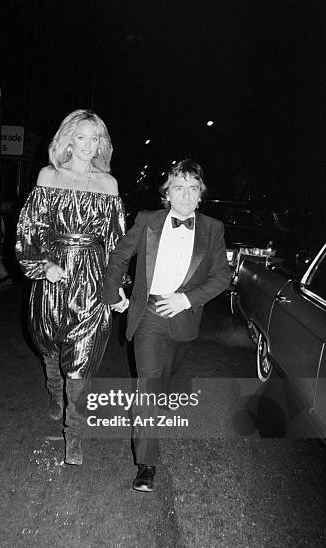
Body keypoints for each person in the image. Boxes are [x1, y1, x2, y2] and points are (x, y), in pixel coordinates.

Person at [103, 159, 232, 492]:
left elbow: (222, 277)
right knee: (147, 384)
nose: (186, 196)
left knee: (161, 382)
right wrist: (113, 292)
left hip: (185, 319)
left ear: (200, 194)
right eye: (179, 188)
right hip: (148, 313)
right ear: (167, 194)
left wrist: (186, 300)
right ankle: (146, 463)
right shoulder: (148, 221)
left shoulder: (213, 228)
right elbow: (118, 256)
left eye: (192, 189)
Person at [16, 109, 126, 466]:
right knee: (48, 341)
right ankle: (54, 389)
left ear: (101, 144)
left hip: (91, 277)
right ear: (67, 140)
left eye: (95, 138)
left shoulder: (108, 185)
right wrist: (43, 264)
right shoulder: (48, 176)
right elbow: (32, 228)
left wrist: (117, 286)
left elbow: (116, 242)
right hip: (55, 271)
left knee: (82, 356)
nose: (88, 145)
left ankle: (74, 435)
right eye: (81, 137)